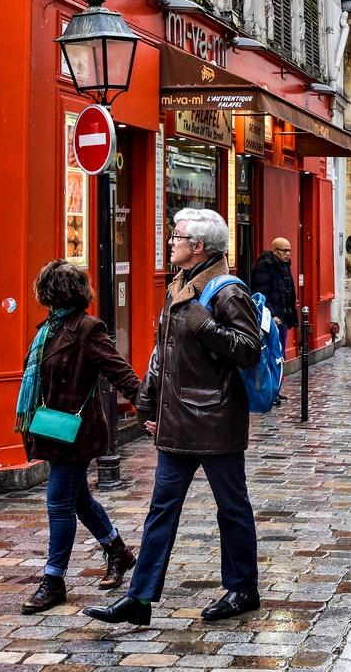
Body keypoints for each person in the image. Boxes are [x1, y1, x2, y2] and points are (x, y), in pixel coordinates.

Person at [86, 209, 262, 627]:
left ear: (198, 247)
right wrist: (148, 404)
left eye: (177, 236)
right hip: (178, 418)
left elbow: (249, 350)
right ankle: (140, 598)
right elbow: (161, 354)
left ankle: (243, 588)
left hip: (215, 419)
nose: (170, 242)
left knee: (231, 507)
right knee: (161, 509)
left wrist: (206, 327)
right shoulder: (179, 285)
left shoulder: (226, 292)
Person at [17, 260, 144, 614]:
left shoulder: (87, 328)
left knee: (58, 502)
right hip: (52, 428)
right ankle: (119, 551)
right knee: (80, 500)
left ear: (51, 291)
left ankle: (53, 580)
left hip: (77, 433)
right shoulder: (48, 329)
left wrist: (147, 407)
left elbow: (120, 370)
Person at [251, 238, 298, 404]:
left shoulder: (284, 266)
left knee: (278, 356)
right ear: (274, 250)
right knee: (270, 355)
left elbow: (286, 293)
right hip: (272, 321)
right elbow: (261, 293)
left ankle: (275, 390)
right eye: (284, 251)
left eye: (289, 251)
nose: (287, 254)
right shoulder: (265, 266)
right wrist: (272, 316)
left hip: (282, 318)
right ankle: (269, 392)